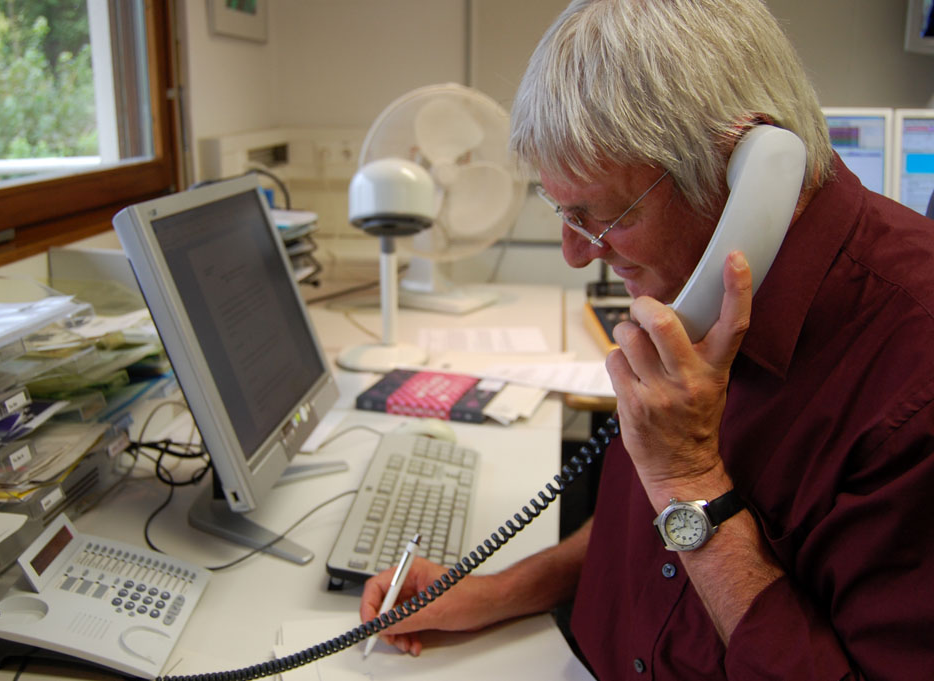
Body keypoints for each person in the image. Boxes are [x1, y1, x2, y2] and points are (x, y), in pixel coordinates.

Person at [359, 1, 934, 679]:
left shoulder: (911, 378)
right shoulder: (689, 291)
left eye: (599, 215)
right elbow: (641, 535)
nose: (576, 253)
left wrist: (692, 481)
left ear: (751, 172)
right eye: (561, 213)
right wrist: (499, 591)